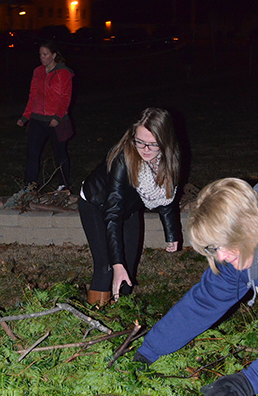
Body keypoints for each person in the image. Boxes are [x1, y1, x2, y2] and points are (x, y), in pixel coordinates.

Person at [134, 177, 258, 396]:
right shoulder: (244, 244)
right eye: (214, 248)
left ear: (246, 228)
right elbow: (204, 302)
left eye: (223, 246)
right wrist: (149, 351)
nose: (221, 257)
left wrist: (250, 382)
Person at [78, 107, 181, 306]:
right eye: (140, 142)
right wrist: (117, 264)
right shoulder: (123, 158)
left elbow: (166, 196)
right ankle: (97, 318)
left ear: (166, 142)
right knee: (108, 266)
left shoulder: (170, 158)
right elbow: (113, 212)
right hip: (98, 204)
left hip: (130, 207)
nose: (145, 150)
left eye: (153, 144)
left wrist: (172, 233)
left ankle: (122, 314)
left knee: (129, 267)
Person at [17, 41, 74, 190]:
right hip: (37, 119)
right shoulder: (37, 72)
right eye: (40, 54)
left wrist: (57, 117)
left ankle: (63, 186)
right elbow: (33, 96)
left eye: (45, 54)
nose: (42, 57)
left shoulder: (63, 73)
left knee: (60, 154)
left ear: (54, 55)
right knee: (32, 153)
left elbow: (65, 97)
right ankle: (30, 186)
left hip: (56, 121)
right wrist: (25, 116)